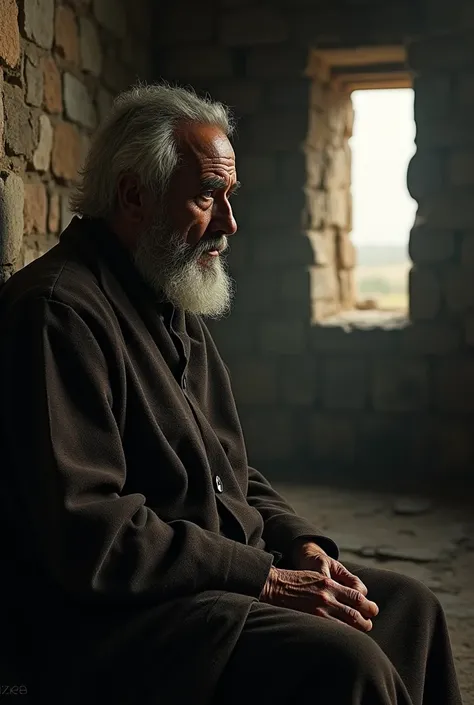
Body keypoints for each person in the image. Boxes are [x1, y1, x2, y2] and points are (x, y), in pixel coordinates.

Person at [0, 84, 462, 705]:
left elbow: (231, 474)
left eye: (229, 197)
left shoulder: (165, 298)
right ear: (135, 195)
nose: (229, 222)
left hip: (211, 586)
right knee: (344, 662)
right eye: (205, 196)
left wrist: (299, 543)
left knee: (411, 610)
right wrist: (266, 578)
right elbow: (93, 536)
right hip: (117, 622)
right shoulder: (58, 313)